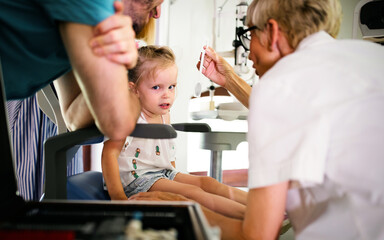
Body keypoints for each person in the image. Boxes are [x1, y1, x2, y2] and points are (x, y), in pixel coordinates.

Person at [130, 0, 384, 239]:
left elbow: (256, 235)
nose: (249, 52)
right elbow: (295, 111)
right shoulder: (371, 55)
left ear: (272, 32)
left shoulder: (279, 86)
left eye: (249, 35)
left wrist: (180, 206)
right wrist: (230, 80)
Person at [102, 45, 248, 219]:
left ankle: (262, 207)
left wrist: (175, 177)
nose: (167, 95)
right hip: (137, 181)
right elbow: (109, 153)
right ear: (134, 89)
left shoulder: (164, 114)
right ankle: (248, 217)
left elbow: (167, 153)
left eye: (171, 87)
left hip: (164, 173)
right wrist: (117, 197)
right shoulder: (129, 115)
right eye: (157, 87)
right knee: (193, 192)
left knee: (208, 182)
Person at [0, 0, 164, 142]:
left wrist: (119, 71)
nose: (158, 12)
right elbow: (118, 123)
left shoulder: (80, 20)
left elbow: (72, 117)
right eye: (152, 2)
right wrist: (124, 68)